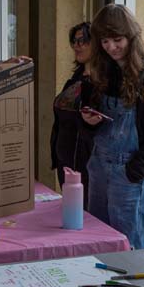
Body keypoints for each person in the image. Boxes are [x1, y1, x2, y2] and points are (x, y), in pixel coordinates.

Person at [81, 4, 144, 250]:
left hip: (129, 174)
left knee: (133, 250)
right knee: (98, 244)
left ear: (132, 36)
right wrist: (89, 121)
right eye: (104, 41)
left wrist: (132, 173)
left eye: (117, 39)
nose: (111, 48)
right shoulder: (105, 68)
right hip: (99, 167)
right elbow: (92, 115)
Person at [50, 21, 96, 194]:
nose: (76, 46)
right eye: (74, 41)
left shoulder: (103, 82)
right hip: (66, 160)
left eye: (82, 41)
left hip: (85, 164)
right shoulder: (76, 77)